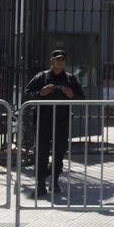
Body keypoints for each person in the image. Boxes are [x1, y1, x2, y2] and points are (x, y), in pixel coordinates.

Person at [24, 49, 85, 195]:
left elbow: (82, 99)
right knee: (42, 152)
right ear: (51, 61)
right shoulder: (41, 77)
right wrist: (41, 93)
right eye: (57, 59)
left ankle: (54, 181)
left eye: (62, 60)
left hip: (61, 122)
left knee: (59, 152)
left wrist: (71, 95)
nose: (60, 62)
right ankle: (40, 184)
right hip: (43, 121)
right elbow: (26, 94)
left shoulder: (70, 79)